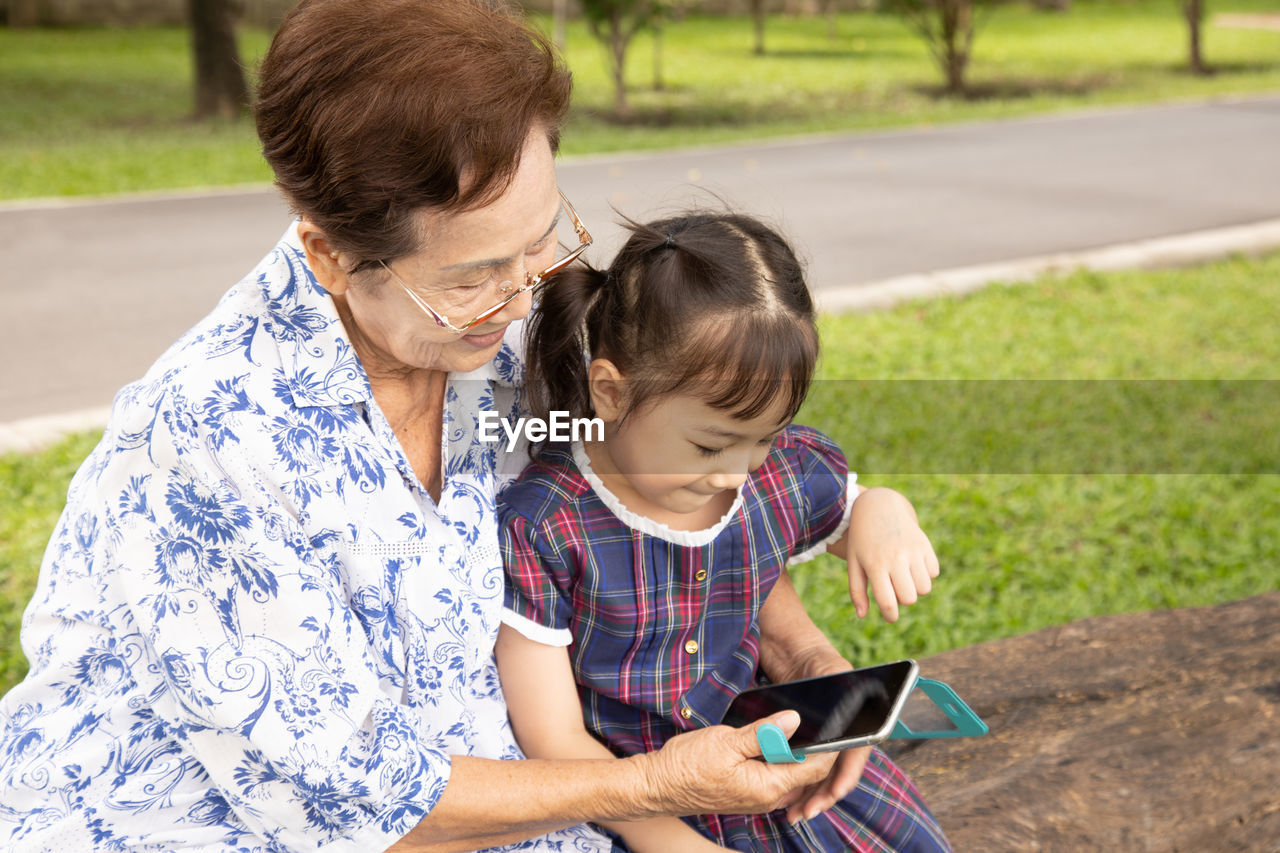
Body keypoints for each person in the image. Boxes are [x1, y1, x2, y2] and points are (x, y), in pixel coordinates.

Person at [0, 2, 865, 850]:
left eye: (539, 242)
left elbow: (667, 480)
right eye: (474, 277)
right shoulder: (208, 445)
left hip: (521, 788)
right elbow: (371, 813)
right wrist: (660, 780)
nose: (527, 299)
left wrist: (804, 658)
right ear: (330, 255)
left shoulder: (509, 336)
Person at [495, 213, 951, 851]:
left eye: (762, 439)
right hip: (641, 804)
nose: (735, 473)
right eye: (710, 445)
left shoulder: (774, 474)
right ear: (610, 392)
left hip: (774, 768)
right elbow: (553, 737)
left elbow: (855, 508)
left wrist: (886, 509)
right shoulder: (546, 524)